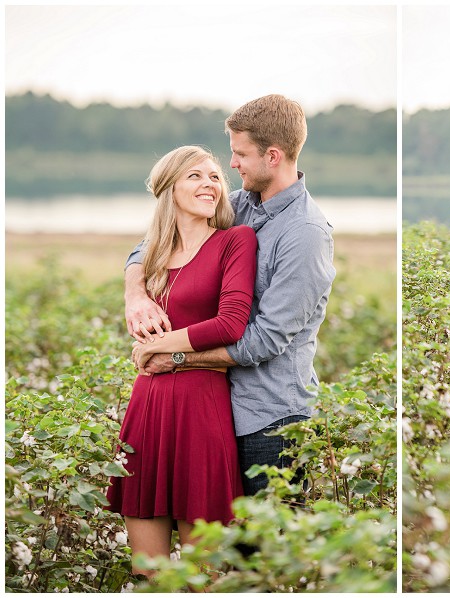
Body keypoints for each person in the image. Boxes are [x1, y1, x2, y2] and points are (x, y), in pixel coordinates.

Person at [123, 94, 336, 498]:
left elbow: (266, 339)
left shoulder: (305, 233)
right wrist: (137, 295)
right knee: (225, 549)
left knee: (267, 552)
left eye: (239, 154)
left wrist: (176, 357)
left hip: (272, 421)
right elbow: (151, 244)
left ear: (272, 156)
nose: (232, 164)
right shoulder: (237, 206)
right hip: (217, 412)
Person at [106, 145, 258, 577]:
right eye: (195, 176)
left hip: (201, 410)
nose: (210, 183)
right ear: (168, 188)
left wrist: (158, 347)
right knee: (147, 575)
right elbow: (138, 288)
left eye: (214, 176)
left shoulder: (234, 241)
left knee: (200, 578)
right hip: (148, 408)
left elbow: (230, 325)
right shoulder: (149, 254)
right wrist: (134, 294)